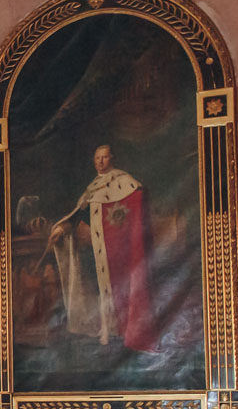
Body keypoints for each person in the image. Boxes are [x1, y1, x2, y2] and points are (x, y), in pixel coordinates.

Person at [46, 143, 156, 351]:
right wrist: (61, 228)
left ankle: (122, 329)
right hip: (96, 252)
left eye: (104, 158)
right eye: (97, 158)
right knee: (99, 289)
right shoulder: (93, 186)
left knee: (121, 287)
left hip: (116, 250)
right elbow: (80, 214)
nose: (100, 162)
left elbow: (132, 208)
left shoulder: (125, 182)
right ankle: (108, 328)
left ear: (112, 158)